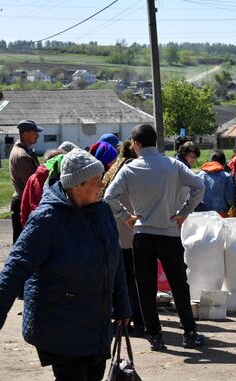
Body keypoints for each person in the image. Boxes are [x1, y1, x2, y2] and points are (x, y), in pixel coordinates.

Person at [0, 148, 131, 381]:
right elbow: (16, 266)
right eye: (96, 181)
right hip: (61, 324)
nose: (102, 185)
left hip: (96, 322)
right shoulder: (47, 219)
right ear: (76, 186)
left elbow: (115, 259)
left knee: (95, 375)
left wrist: (122, 306)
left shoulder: (102, 211)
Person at [104, 124, 206, 351]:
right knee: (179, 284)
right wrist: (184, 212)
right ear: (156, 142)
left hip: (141, 233)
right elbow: (199, 186)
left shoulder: (130, 169)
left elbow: (109, 195)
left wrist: (126, 216)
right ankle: (189, 332)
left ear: (136, 144)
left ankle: (154, 336)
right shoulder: (173, 165)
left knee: (145, 287)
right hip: (169, 232)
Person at [101, 140, 142, 336]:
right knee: (131, 282)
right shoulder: (131, 169)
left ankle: (122, 317)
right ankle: (134, 319)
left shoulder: (115, 168)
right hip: (129, 232)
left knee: (121, 279)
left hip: (115, 232)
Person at [9, 120, 42, 244]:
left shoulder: (26, 150)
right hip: (23, 202)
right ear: (25, 134)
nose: (38, 136)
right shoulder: (21, 155)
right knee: (21, 242)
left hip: (25, 200)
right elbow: (34, 183)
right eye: (35, 133)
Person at [20, 149, 65, 227]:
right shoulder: (62, 180)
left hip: (35, 221)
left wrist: (25, 224)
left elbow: (25, 204)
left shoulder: (33, 177)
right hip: (56, 224)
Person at [196, 149, 234, 217]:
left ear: (210, 161)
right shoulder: (226, 176)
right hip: (220, 214)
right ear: (223, 163)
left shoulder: (200, 175)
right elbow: (230, 200)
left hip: (202, 214)